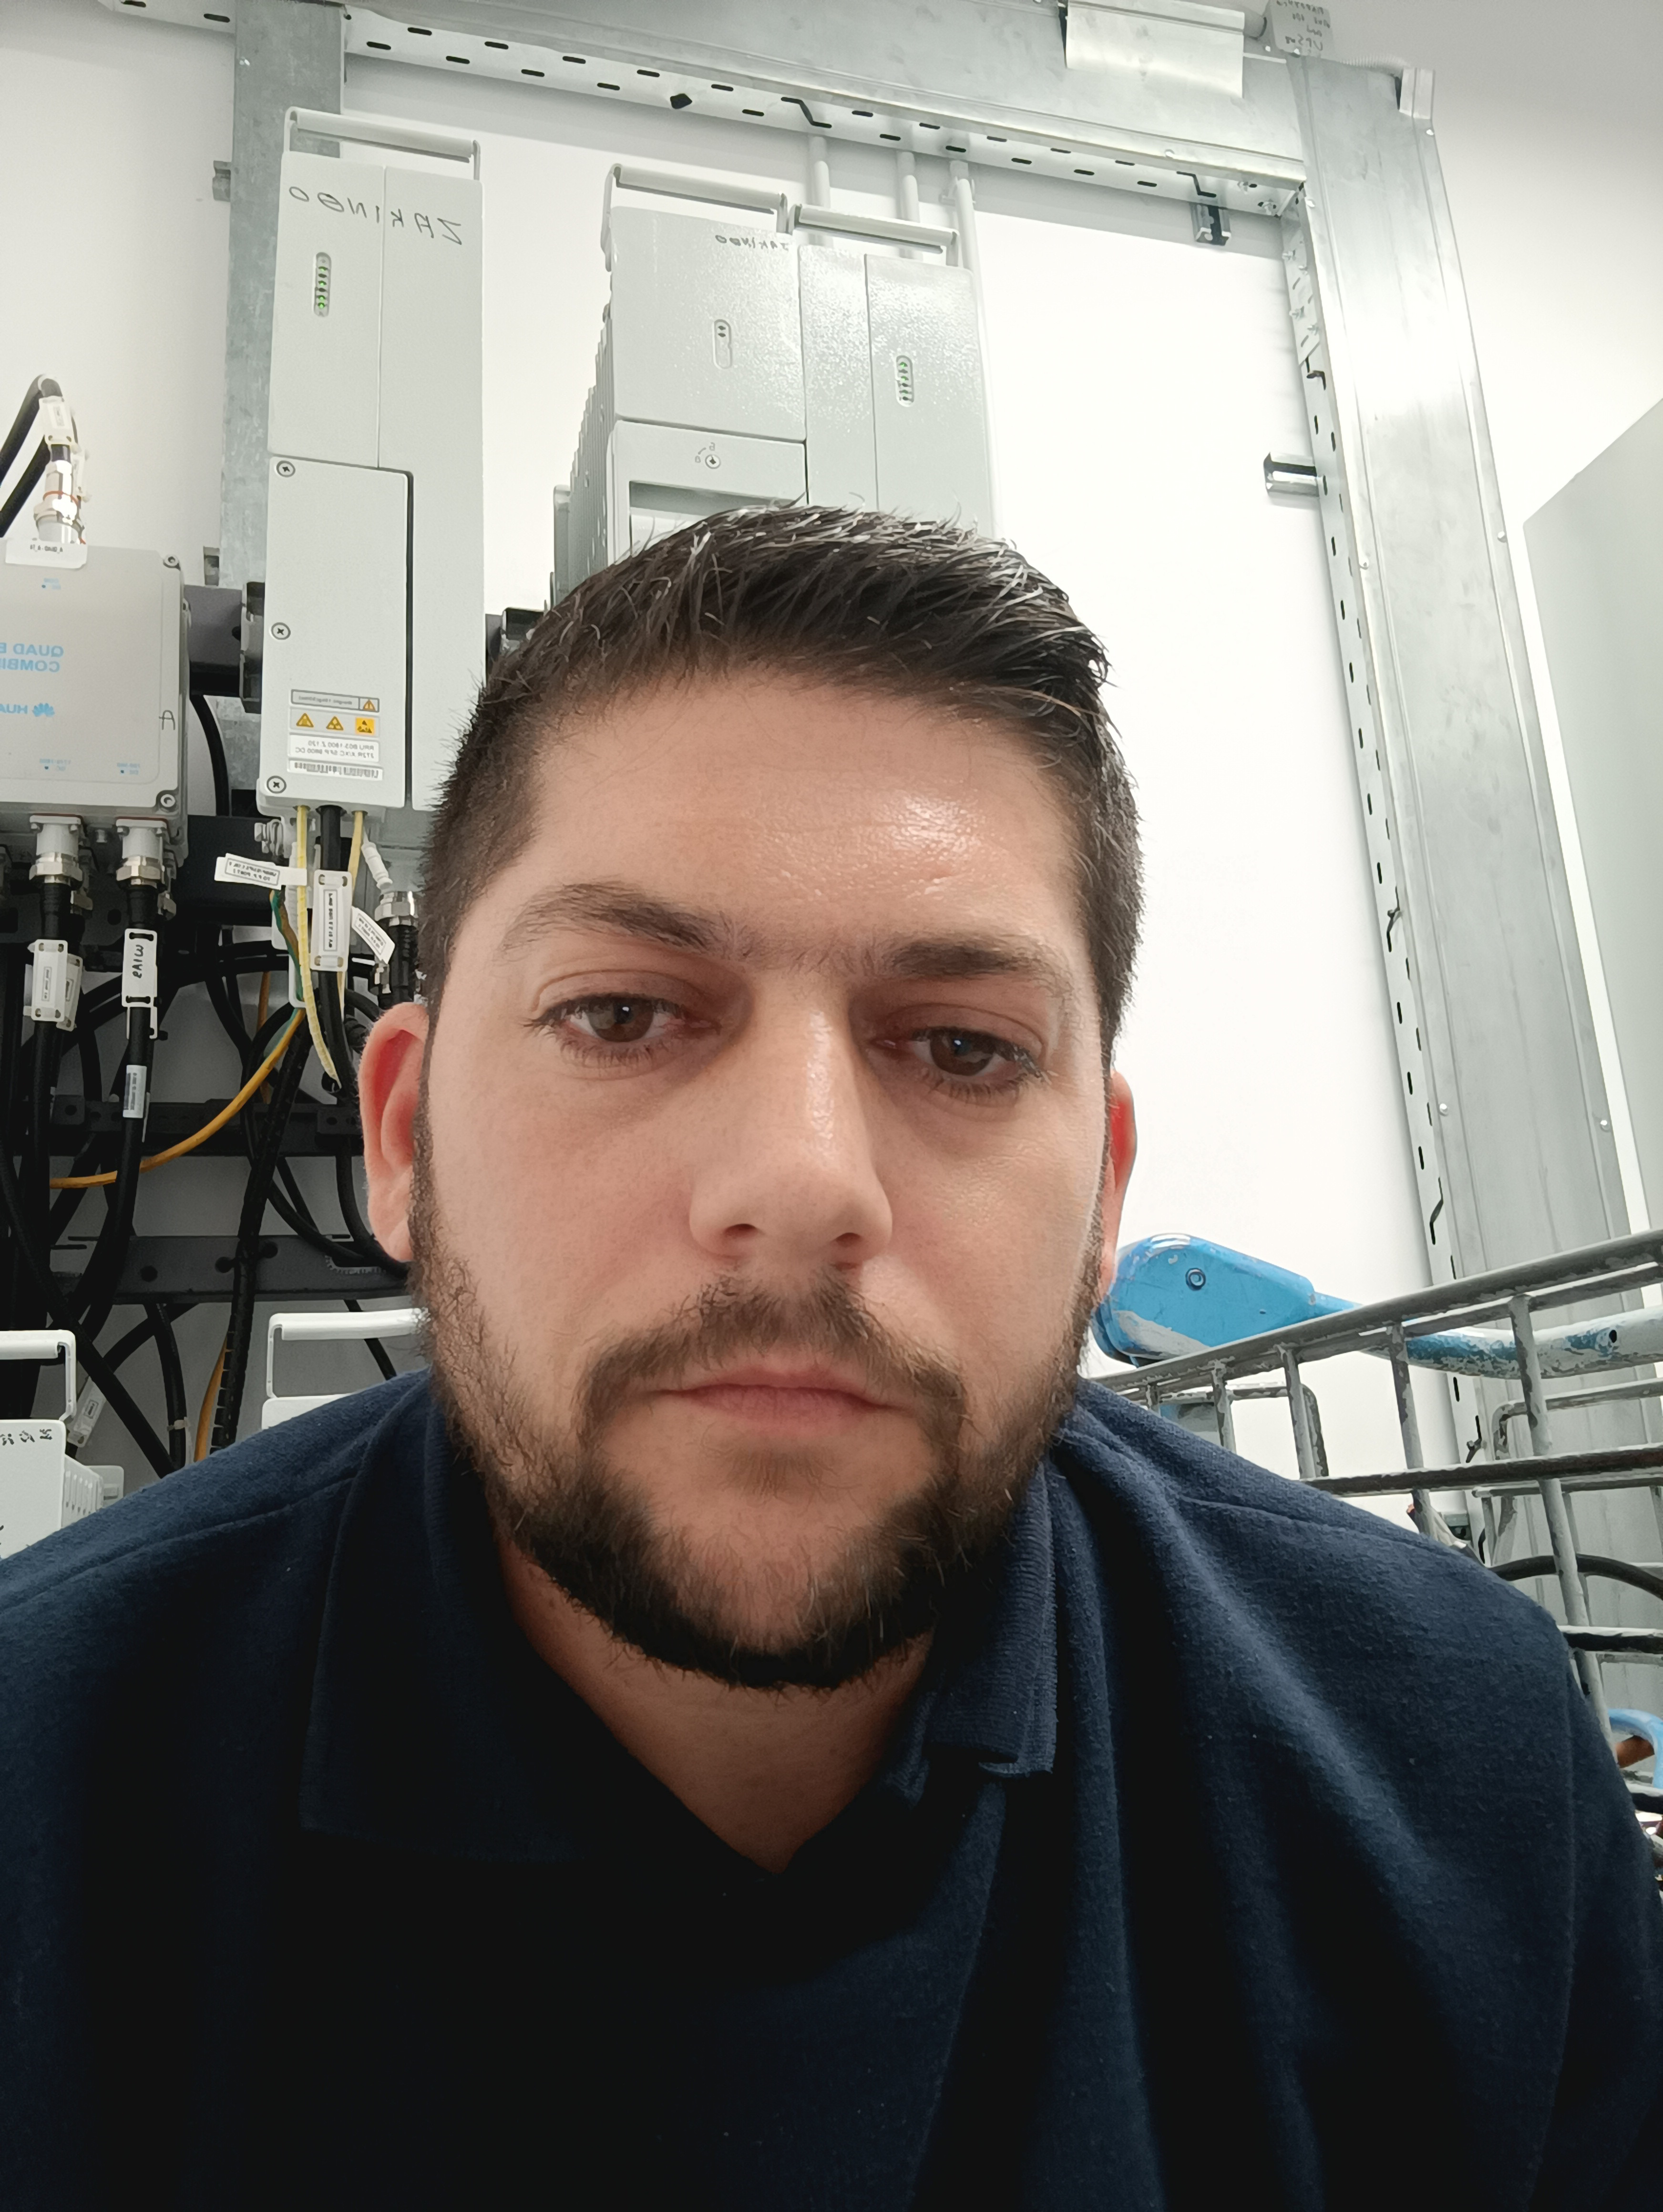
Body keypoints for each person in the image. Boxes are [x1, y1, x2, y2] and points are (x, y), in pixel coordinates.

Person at [1, 509, 1658, 2209]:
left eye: (963, 1048)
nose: (803, 1185)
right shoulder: (41, 1795)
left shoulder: (1467, 1794)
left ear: (1103, 1194)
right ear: (406, 1136)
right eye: (623, 1014)